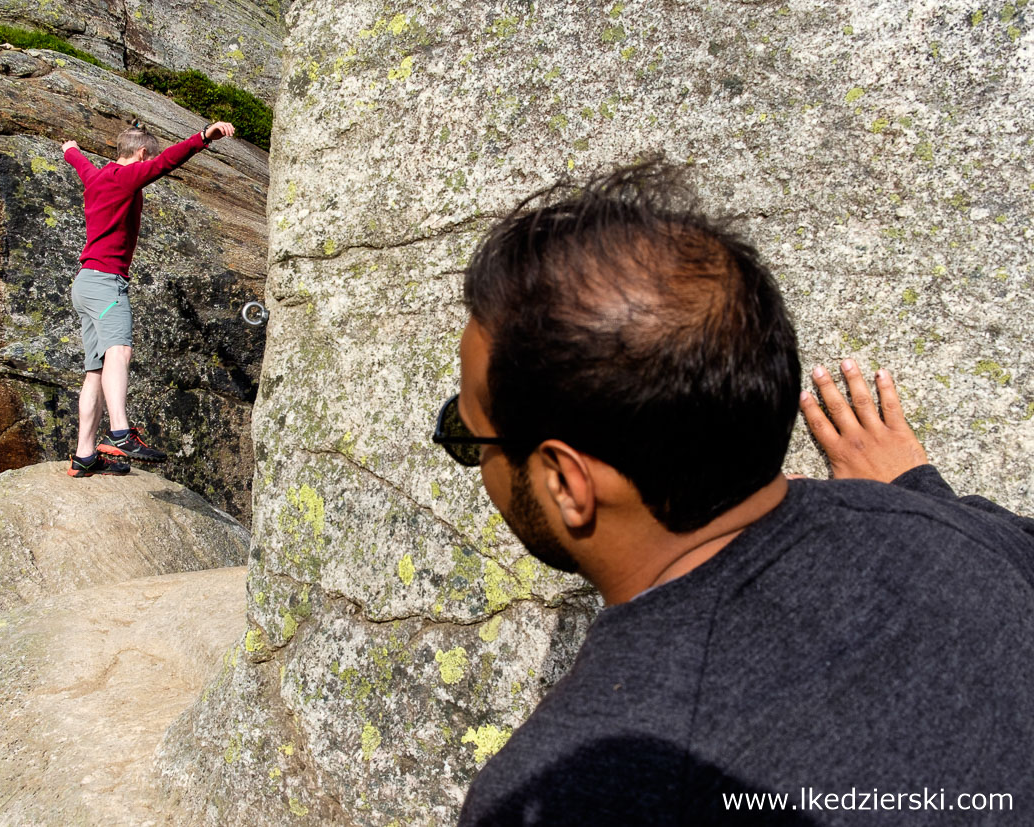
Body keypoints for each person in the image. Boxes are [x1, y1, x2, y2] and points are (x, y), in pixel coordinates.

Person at [436, 163, 1034, 824]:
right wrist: (921, 503)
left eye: (468, 435)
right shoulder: (961, 540)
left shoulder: (565, 796)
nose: (468, 446)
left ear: (567, 484)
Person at [61, 119, 235, 477]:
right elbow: (169, 160)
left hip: (85, 284)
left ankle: (84, 455)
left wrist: (70, 149)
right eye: (147, 159)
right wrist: (204, 137)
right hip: (107, 283)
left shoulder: (96, 176)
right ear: (141, 154)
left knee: (95, 372)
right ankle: (121, 432)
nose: (149, 165)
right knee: (120, 351)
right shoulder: (128, 178)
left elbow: (78, 160)